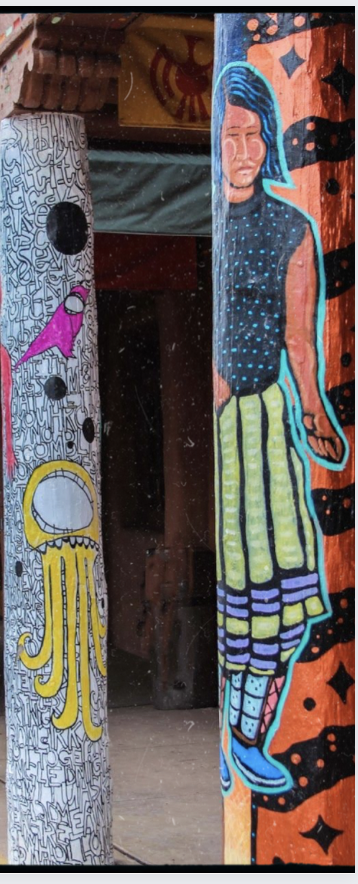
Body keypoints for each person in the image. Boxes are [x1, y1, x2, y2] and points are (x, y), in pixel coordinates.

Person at [212, 63, 344, 795]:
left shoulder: (292, 227)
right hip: (229, 423)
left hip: (267, 427)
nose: (238, 150)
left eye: (251, 136)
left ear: (268, 144)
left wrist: (318, 419)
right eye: (228, 136)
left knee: (284, 600)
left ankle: (246, 734)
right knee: (246, 597)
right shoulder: (212, 222)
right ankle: (241, 736)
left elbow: (301, 337)